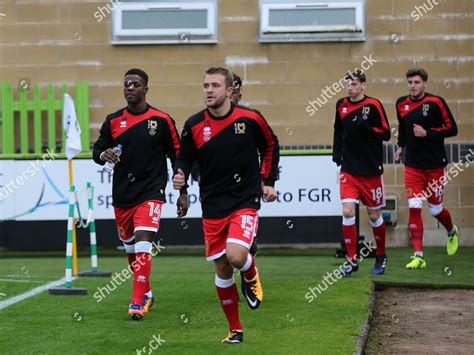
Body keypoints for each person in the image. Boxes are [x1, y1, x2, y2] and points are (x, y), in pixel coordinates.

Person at [173, 67, 279, 344]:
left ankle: (251, 271)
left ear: (230, 90)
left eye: (215, 85)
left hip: (244, 199)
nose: (209, 90)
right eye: (205, 85)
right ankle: (235, 329)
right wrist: (181, 185)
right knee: (221, 268)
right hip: (212, 205)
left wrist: (267, 181)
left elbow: (270, 145)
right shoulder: (194, 124)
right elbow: (183, 158)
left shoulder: (250, 118)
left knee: (235, 255)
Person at [93, 68, 188, 320]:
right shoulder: (113, 120)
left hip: (152, 190)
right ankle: (145, 291)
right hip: (123, 193)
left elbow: (177, 155)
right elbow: (97, 151)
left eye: (135, 84)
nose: (130, 88)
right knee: (131, 247)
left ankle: (136, 301)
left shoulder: (162, 120)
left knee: (144, 239)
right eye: (126, 84)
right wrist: (104, 154)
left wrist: (183, 191)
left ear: (146, 89)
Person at [394, 68, 459, 269]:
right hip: (412, 165)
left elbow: (452, 129)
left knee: (435, 209)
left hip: (435, 166)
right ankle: (419, 255)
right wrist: (400, 147)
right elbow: (403, 129)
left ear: (424, 84)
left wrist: (427, 133)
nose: (413, 86)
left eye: (416, 82)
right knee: (414, 207)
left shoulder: (436, 103)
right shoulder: (401, 103)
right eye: (410, 82)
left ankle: (451, 231)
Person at [332, 69, 391, 276]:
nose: (350, 88)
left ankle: (381, 256)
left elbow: (386, 133)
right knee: (348, 211)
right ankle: (351, 259)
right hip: (349, 169)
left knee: (374, 215)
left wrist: (367, 128)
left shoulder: (373, 105)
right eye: (348, 84)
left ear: (363, 85)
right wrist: (336, 152)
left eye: (355, 84)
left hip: (371, 169)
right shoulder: (341, 105)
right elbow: (338, 130)